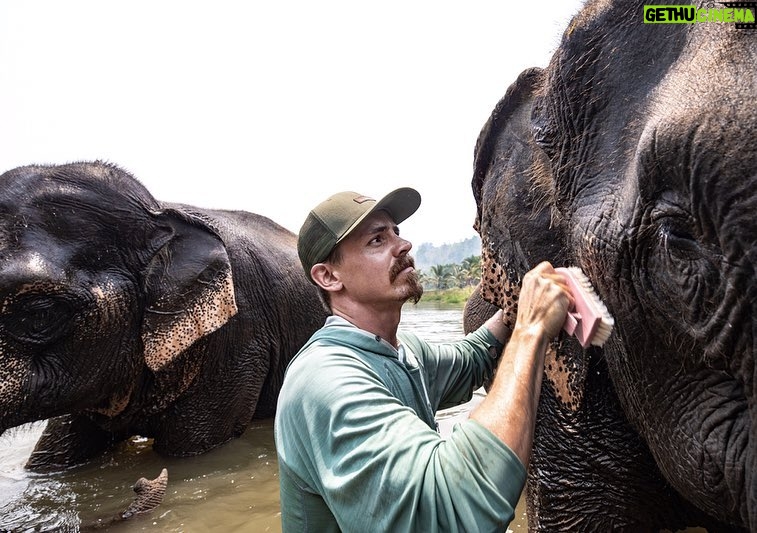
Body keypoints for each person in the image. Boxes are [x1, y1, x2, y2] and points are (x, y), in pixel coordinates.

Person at [274, 187, 572, 532]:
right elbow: (452, 509)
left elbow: (470, 359)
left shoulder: (402, 351)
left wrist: (513, 312)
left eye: (396, 232)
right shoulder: (324, 380)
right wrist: (531, 329)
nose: (403, 246)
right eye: (376, 241)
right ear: (328, 276)